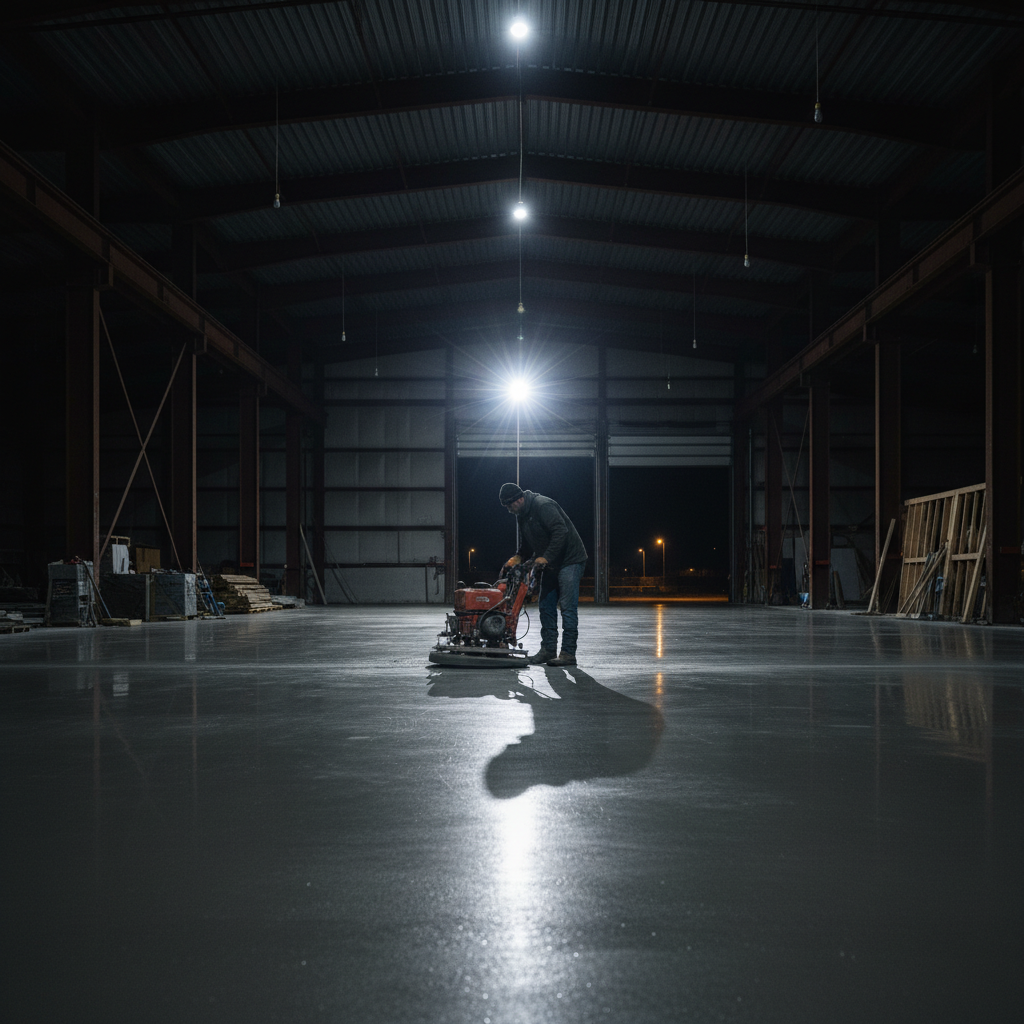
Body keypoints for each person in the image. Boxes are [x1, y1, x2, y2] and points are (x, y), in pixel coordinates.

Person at [499, 482, 588, 666]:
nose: (508, 510)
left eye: (509, 505)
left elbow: (560, 531)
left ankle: (568, 653)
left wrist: (546, 557)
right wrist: (517, 557)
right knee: (546, 606)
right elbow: (527, 544)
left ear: (518, 499)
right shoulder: (522, 515)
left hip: (570, 560)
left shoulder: (542, 505)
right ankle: (548, 650)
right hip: (551, 563)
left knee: (567, 607)